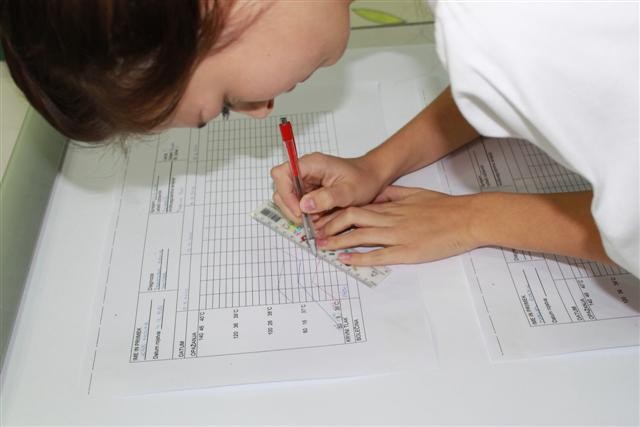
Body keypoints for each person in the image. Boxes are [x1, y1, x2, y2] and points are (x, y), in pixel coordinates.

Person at [1, 1, 637, 276]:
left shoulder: (513, 26)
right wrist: (380, 164)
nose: (260, 111)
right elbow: (513, 80)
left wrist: (475, 218)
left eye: (223, 104)